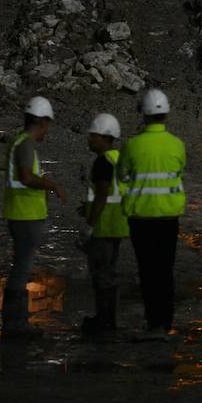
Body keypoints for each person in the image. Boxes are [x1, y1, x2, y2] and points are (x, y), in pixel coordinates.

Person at [118, 88, 186, 339]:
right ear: (166, 114)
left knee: (147, 271)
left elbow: (122, 177)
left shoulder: (132, 146)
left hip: (141, 219)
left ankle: (153, 323)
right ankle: (166, 323)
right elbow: (180, 171)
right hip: (169, 218)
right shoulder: (177, 145)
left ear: (143, 115)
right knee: (165, 270)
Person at [1, 95, 66, 339]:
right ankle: (15, 324)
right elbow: (27, 178)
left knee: (21, 266)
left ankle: (15, 322)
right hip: (24, 215)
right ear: (43, 122)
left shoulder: (20, 142)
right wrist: (53, 185)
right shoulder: (26, 144)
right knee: (22, 268)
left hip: (22, 213)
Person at [78, 112, 128, 335]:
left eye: (93, 136)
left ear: (104, 138)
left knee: (101, 276)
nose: (89, 139)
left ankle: (104, 322)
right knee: (110, 274)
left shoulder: (103, 162)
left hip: (103, 226)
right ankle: (109, 320)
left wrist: (89, 225)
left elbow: (102, 194)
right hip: (119, 224)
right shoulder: (118, 159)